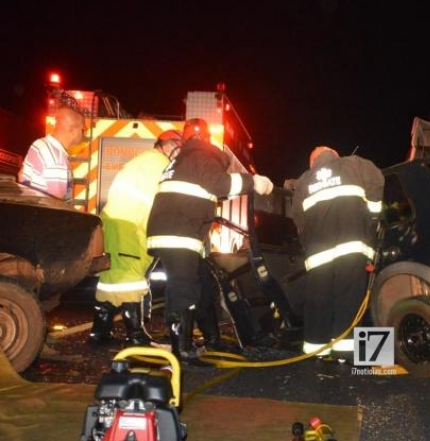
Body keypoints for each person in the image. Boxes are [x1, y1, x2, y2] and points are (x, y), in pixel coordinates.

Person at [146, 118, 274, 364]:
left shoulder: (182, 159)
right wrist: (253, 182)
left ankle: (210, 339)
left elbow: (202, 191)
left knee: (202, 285)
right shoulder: (203, 153)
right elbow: (219, 184)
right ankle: (181, 351)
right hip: (180, 234)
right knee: (185, 289)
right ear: (206, 138)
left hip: (173, 231)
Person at [88, 129, 184, 345]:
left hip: (114, 225)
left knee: (111, 281)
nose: (180, 156)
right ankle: (136, 335)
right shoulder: (161, 165)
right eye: (179, 149)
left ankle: (99, 332)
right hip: (130, 228)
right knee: (130, 281)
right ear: (169, 146)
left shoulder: (140, 161)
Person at [291, 146, 384, 360]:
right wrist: (371, 219)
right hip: (352, 249)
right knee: (349, 299)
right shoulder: (355, 164)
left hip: (318, 255)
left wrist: (308, 243)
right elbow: (378, 180)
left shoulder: (304, 181)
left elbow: (298, 220)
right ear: (335, 155)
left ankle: (316, 351)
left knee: (318, 300)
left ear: (313, 162)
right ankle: (350, 355)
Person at [19, 106, 85, 201]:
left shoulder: (39, 144)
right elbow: (56, 206)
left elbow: (21, 177)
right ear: (72, 130)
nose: (84, 133)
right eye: (82, 130)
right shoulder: (56, 159)